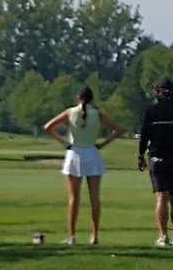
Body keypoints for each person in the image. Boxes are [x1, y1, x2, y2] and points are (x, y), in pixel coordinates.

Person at [43, 86, 123, 246]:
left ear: (78, 98)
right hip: (92, 154)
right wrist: (103, 144)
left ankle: (71, 236)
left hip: (75, 154)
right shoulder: (97, 113)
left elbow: (48, 127)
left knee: (74, 199)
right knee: (94, 199)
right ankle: (94, 235)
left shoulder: (70, 112)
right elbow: (118, 130)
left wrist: (65, 143)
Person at [137, 78, 173, 246]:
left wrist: (140, 155)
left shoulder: (151, 112)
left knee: (162, 197)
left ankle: (163, 236)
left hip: (157, 158)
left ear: (158, 92)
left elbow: (144, 136)